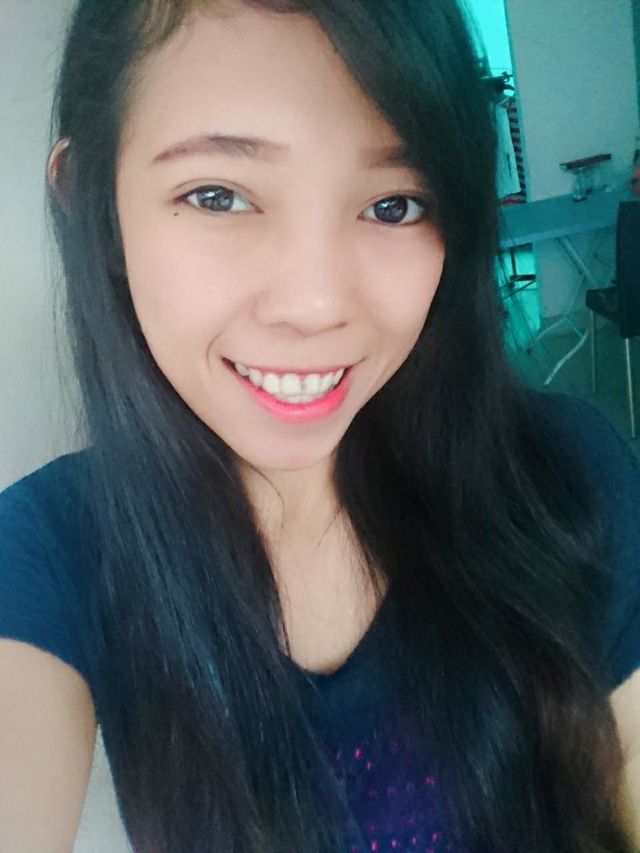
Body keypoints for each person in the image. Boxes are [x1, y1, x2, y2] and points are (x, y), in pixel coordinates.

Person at [1, 0, 639, 850]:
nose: (316, 304)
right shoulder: (48, 550)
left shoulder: (568, 474)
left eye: (395, 205)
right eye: (219, 195)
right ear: (95, 206)